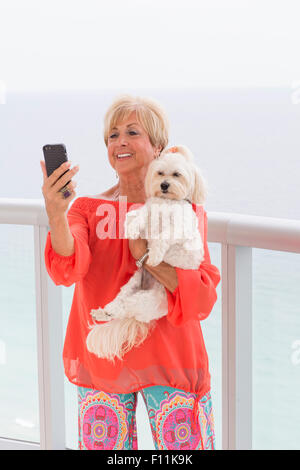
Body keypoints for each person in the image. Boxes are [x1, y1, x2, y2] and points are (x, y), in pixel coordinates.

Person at [40, 94, 221, 451]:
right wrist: (56, 215)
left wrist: (146, 257)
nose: (119, 141)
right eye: (112, 135)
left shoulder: (185, 210)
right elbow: (67, 267)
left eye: (132, 132)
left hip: (172, 359)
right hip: (103, 359)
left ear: (159, 147)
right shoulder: (87, 209)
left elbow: (200, 295)